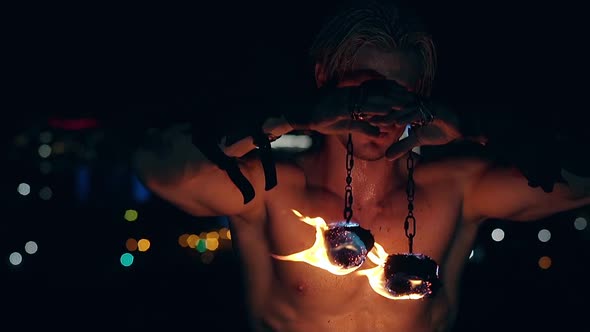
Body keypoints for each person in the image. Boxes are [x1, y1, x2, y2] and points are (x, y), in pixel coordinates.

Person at [132, 1, 590, 331]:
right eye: (364, 92)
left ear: (422, 96)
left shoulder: (458, 188)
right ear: (325, 82)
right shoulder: (273, 189)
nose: (381, 113)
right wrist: (295, 115)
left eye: (399, 96)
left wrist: (475, 124)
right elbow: (159, 168)